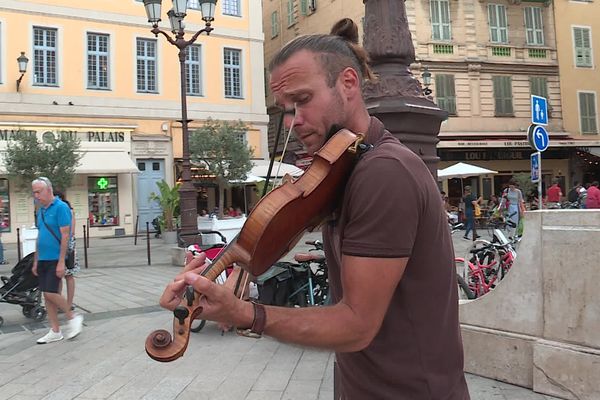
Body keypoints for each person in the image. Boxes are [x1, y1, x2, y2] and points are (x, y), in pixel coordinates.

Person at [159, 18, 469, 399]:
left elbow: (357, 325)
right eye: (284, 109)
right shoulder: (347, 167)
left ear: (349, 84)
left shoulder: (383, 172)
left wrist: (246, 313)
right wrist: (227, 277)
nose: (293, 122)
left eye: (302, 101)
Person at [31, 177, 83, 344]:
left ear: (49, 190)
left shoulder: (61, 208)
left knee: (50, 292)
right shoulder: (41, 211)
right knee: (47, 297)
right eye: (34, 192)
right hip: (44, 259)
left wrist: (61, 261)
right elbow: (40, 236)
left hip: (55, 258)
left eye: (38, 192)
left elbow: (66, 235)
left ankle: (72, 317)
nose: (36, 196)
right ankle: (55, 330)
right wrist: (36, 260)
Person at [54, 191, 79, 311]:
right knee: (59, 276)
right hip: (59, 245)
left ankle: (68, 303)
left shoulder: (67, 210)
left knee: (68, 275)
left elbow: (71, 231)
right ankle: (60, 302)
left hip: (68, 246)